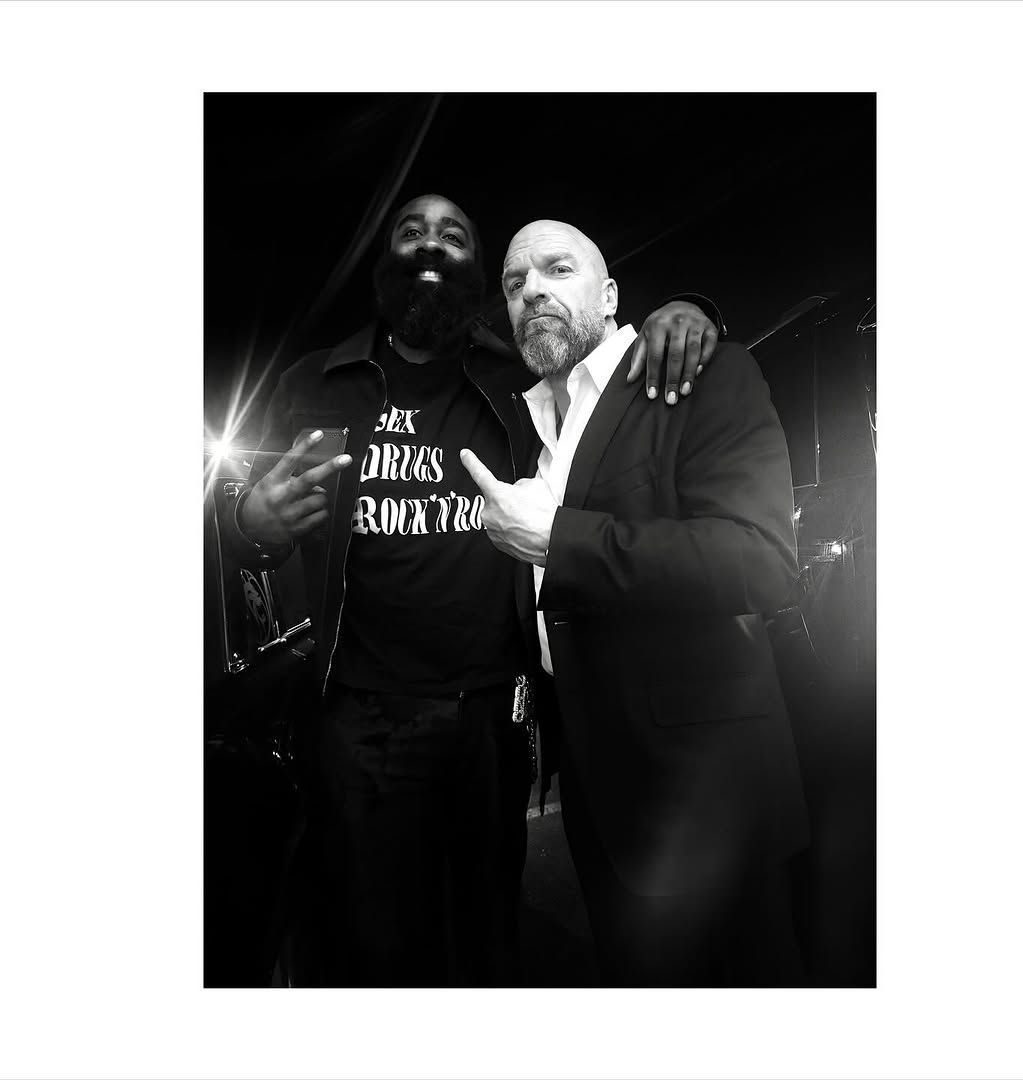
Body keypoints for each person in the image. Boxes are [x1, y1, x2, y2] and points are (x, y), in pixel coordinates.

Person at [225, 193, 724, 987]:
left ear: (478, 272)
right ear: (384, 262)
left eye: (453, 236)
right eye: (411, 231)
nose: (431, 244)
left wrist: (692, 310)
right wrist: (249, 523)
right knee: (371, 948)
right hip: (357, 717)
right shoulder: (313, 382)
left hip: (491, 717)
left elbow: (610, 367)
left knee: (485, 938)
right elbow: (247, 523)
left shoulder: (516, 375)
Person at [461, 219, 810, 986]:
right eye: (515, 284)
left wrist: (558, 540)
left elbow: (761, 562)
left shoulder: (704, 373)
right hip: (599, 798)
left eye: (557, 269)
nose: (532, 291)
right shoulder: (535, 426)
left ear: (613, 295)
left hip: (706, 800)